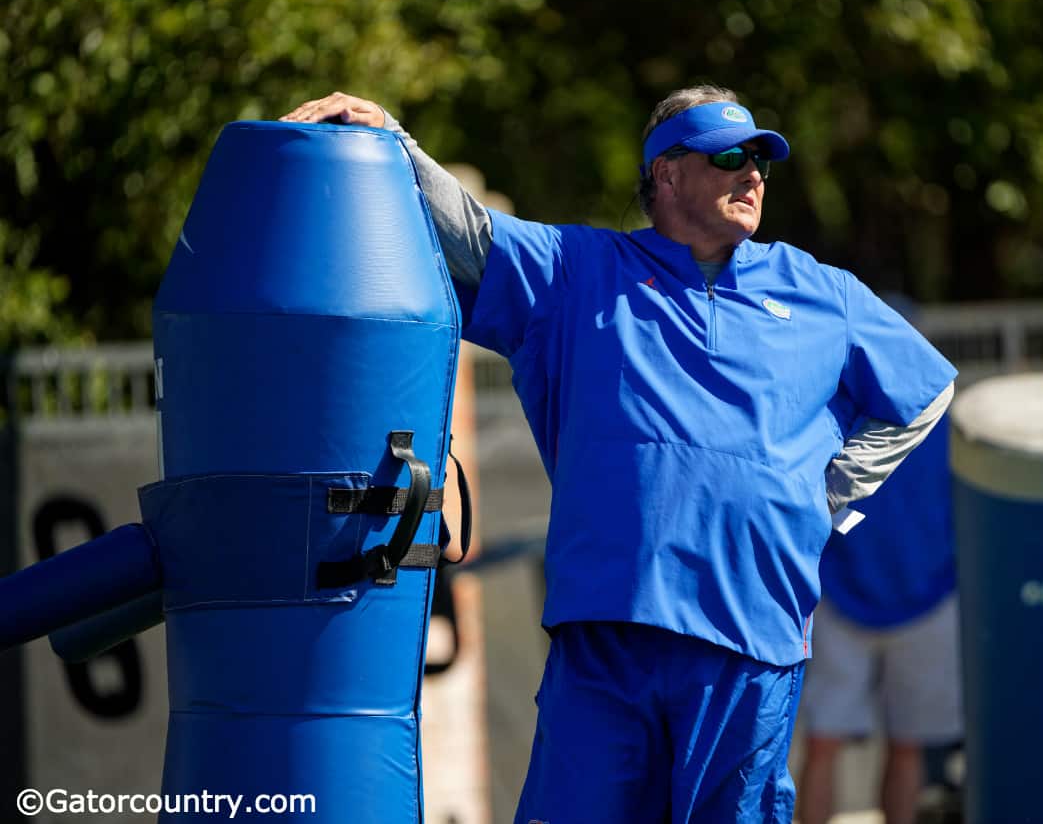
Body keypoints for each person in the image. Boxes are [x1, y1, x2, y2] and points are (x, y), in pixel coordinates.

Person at [281, 86, 956, 824]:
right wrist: (391, 139)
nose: (753, 174)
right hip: (606, 632)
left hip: (750, 634)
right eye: (729, 156)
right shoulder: (578, 269)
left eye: (761, 159)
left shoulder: (822, 290)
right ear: (666, 175)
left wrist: (825, 492)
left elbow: (925, 392)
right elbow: (468, 230)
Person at [797, 407, 963, 824]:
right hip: (840, 600)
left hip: (925, 602)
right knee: (823, 743)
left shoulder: (943, 418)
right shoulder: (835, 412)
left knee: (907, 745)